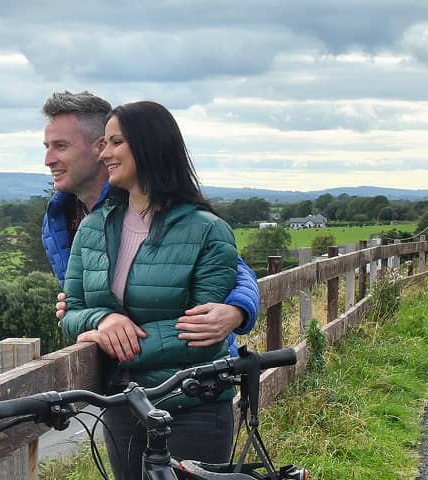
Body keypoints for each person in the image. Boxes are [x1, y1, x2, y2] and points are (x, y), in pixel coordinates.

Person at [59, 100, 241, 478]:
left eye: (115, 142)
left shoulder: (207, 231)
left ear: (149, 145)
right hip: (122, 408)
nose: (104, 153)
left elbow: (202, 335)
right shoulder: (92, 230)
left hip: (193, 405)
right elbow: (70, 312)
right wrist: (101, 321)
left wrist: (109, 344)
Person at [38, 91, 260, 358]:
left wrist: (238, 309)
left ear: (98, 147)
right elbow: (76, 307)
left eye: (60, 146)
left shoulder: (181, 217)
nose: (48, 159)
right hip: (114, 383)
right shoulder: (59, 220)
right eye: (47, 147)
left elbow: (233, 267)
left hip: (183, 377)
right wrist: (96, 319)